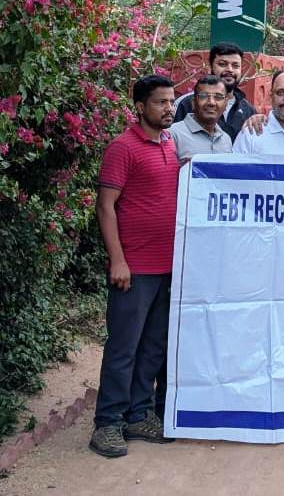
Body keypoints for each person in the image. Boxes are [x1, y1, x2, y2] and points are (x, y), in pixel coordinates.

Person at [89, 75, 180, 458]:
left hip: (168, 267)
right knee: (124, 348)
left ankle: (138, 415)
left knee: (153, 348)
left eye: (171, 101)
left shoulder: (170, 144)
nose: (169, 108)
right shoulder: (122, 148)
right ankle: (107, 424)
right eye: (160, 102)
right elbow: (105, 206)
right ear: (140, 107)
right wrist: (118, 260)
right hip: (135, 268)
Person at [173, 42, 255, 140]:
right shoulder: (188, 103)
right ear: (210, 67)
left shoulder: (248, 110)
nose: (229, 69)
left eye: (235, 65)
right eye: (222, 64)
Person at [167, 75, 231, 160]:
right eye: (203, 96)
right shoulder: (172, 134)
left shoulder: (226, 139)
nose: (211, 103)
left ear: (225, 104)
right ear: (193, 103)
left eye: (218, 97)